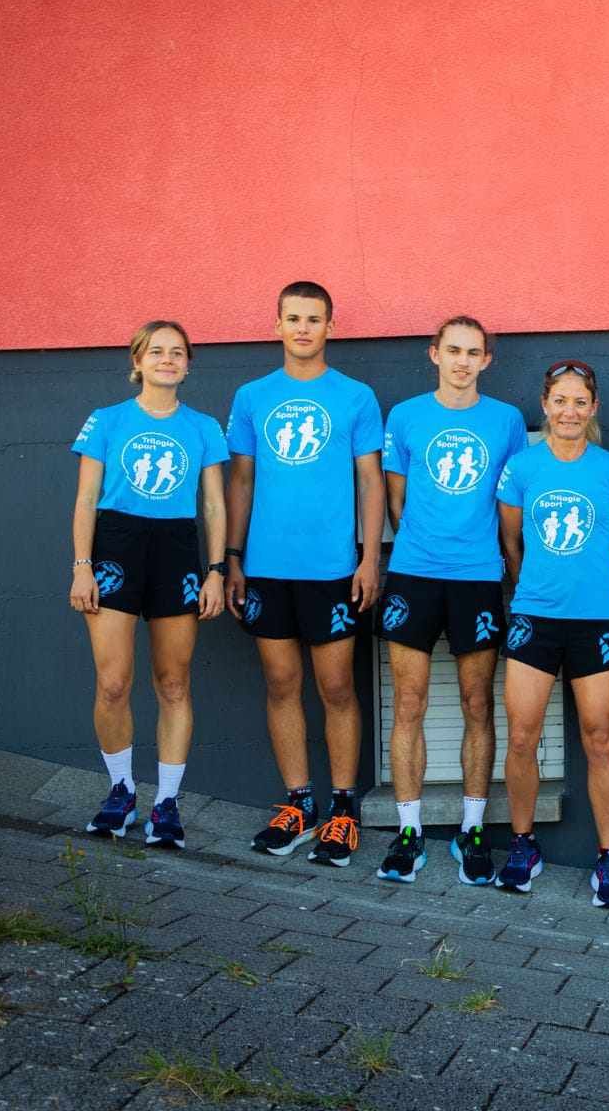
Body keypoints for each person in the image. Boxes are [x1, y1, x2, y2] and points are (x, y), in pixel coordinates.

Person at [226, 282, 384, 868]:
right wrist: (232, 557)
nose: (302, 328)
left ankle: (342, 810)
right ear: (277, 325)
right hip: (267, 567)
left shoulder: (356, 396)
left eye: (313, 319)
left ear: (330, 327)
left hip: (332, 569)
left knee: (337, 687)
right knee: (280, 684)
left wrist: (370, 557)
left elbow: (370, 481)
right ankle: (298, 805)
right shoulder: (252, 396)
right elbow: (241, 480)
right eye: (292, 318)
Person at [372, 317, 525, 884]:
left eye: (473, 352)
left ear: (487, 360)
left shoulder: (506, 420)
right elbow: (396, 502)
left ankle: (472, 829)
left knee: (477, 704)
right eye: (453, 350)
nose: (462, 361)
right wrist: (425, 547)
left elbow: (512, 502)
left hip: (478, 577)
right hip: (413, 574)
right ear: (434, 353)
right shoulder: (406, 416)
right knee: (408, 705)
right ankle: (409, 831)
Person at [70, 321, 228, 849]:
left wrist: (215, 571)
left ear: (188, 364)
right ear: (137, 361)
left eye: (177, 352)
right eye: (156, 351)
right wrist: (82, 565)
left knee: (174, 683)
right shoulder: (106, 420)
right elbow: (86, 499)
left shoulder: (204, 426)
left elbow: (213, 505)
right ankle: (121, 789)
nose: (167, 359)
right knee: (113, 683)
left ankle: (167, 802)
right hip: (116, 545)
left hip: (176, 548)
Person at [492, 360, 609, 905]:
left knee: (599, 738)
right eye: (560, 401)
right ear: (545, 405)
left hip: (596, 620)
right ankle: (523, 845)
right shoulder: (521, 468)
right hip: (535, 616)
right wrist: (530, 587)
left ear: (593, 407)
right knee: (522, 736)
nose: (569, 411)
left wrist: (607, 591)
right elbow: (511, 543)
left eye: (580, 402)